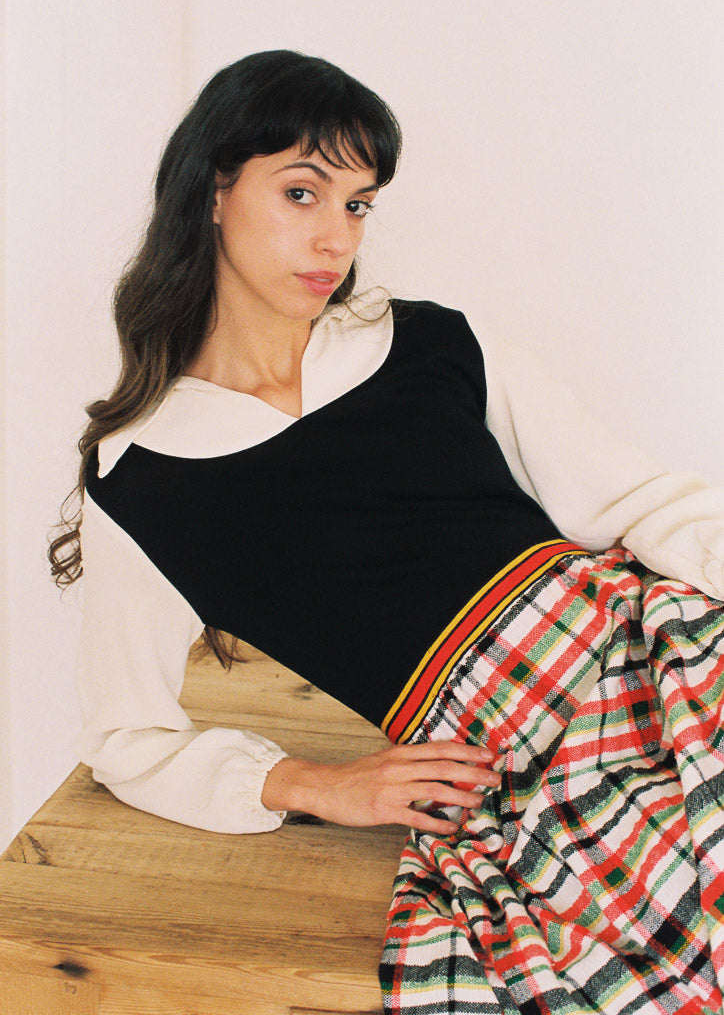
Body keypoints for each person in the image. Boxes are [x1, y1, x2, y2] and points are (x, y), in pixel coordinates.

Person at [50, 50, 724, 1014]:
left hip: (658, 653)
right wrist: (314, 784)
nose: (336, 236)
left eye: (358, 204)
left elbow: (643, 503)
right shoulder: (144, 483)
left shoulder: (434, 341)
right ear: (213, 190)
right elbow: (126, 734)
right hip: (513, 765)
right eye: (302, 192)